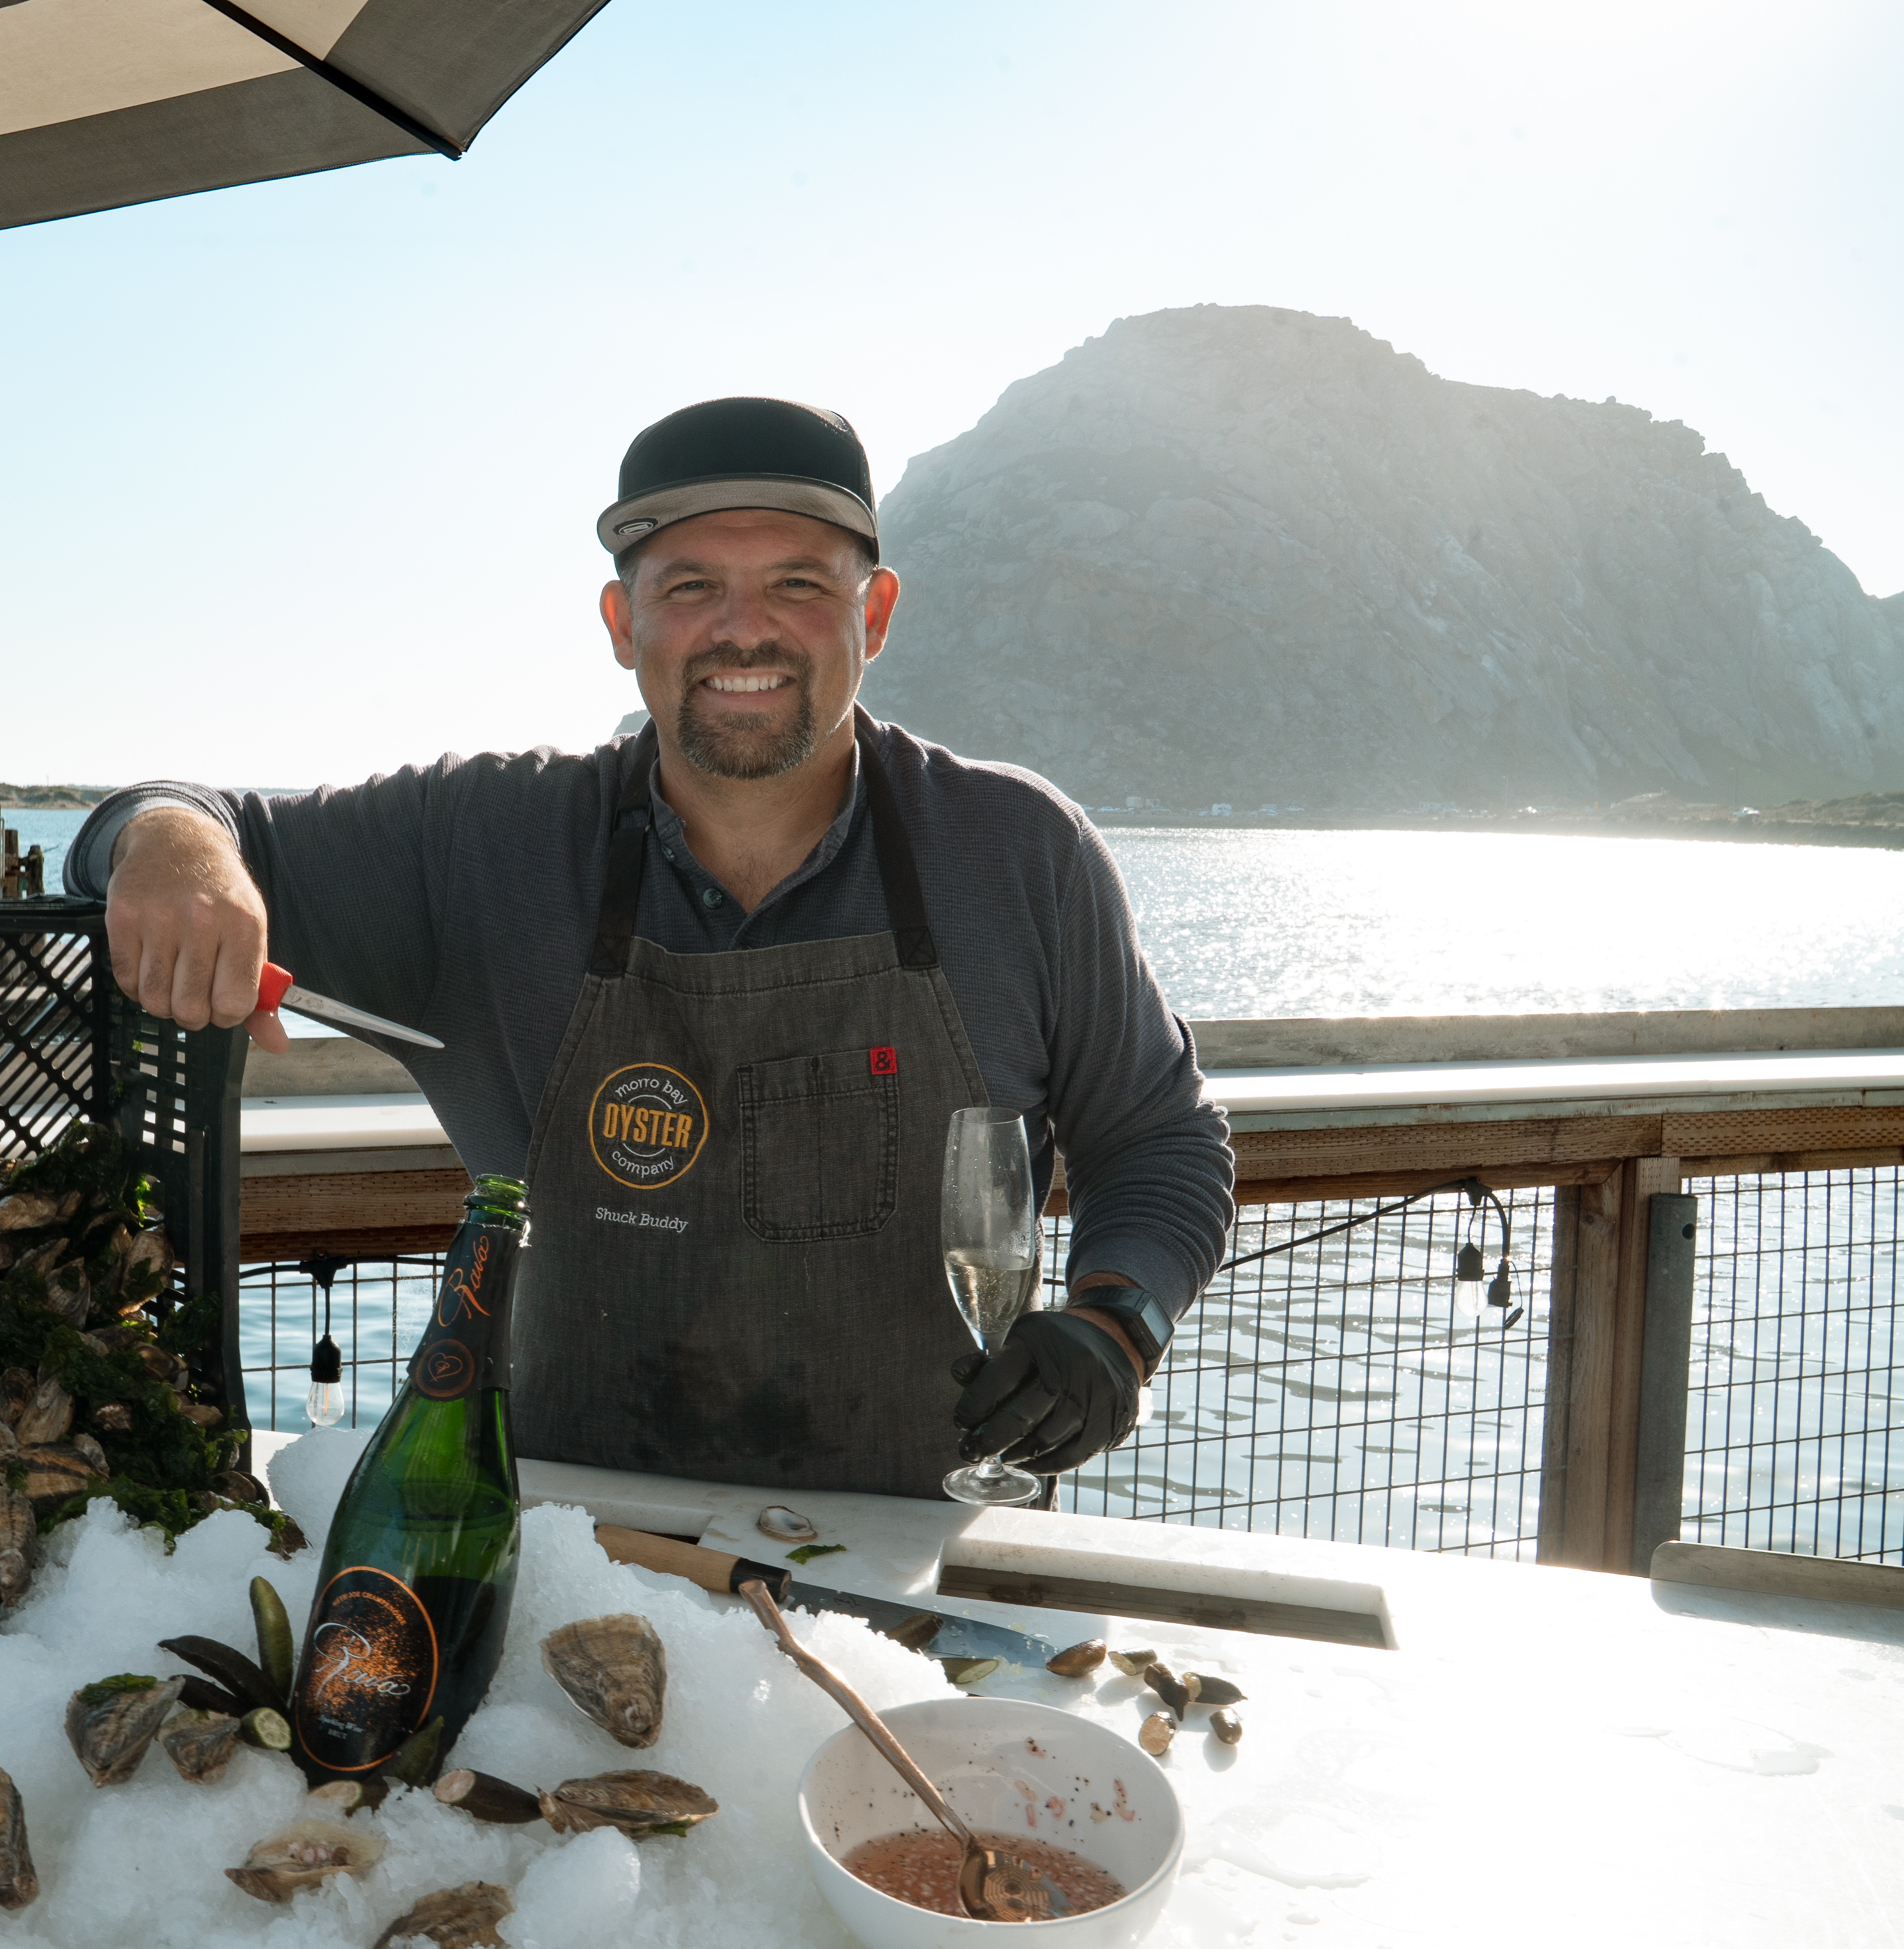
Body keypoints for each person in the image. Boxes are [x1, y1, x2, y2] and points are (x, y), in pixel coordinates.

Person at [70, 397, 1232, 1497]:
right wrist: (178, 855)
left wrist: (1115, 1322)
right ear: (623, 625)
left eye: (796, 584)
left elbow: (1160, 1134)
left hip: (922, 1567)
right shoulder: (487, 844)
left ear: (873, 615)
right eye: (691, 587)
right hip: (564, 1555)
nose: (744, 627)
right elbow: (181, 821)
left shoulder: (1017, 852)